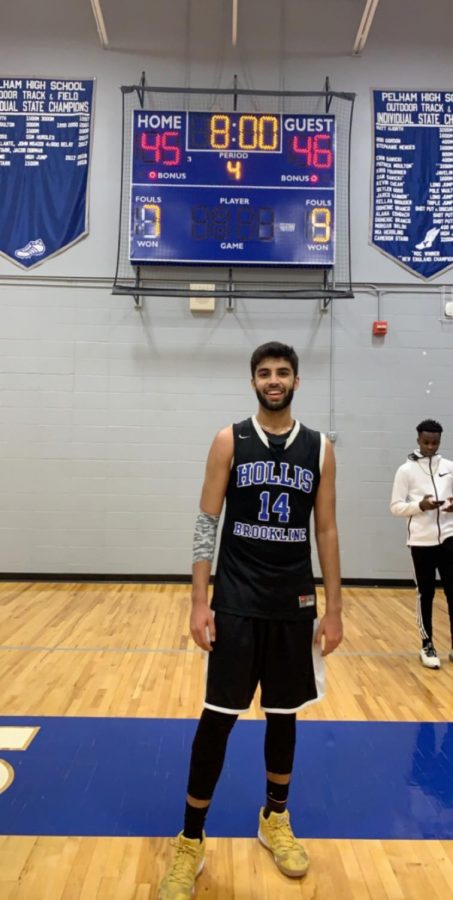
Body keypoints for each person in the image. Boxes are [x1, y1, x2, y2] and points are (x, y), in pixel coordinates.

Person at [159, 341, 343, 900]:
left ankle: (275, 819)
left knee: (284, 716)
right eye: (264, 372)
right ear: (253, 381)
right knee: (217, 719)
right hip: (236, 602)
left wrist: (335, 609)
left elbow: (327, 531)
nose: (273, 380)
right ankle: (191, 840)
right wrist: (198, 601)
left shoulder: (319, 448)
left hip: (293, 605)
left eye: (282, 372)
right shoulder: (228, 440)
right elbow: (205, 524)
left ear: (296, 381)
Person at [390, 419, 453, 668]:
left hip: (449, 538)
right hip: (420, 542)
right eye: (426, 442)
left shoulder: (449, 467)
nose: (430, 446)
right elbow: (395, 507)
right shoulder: (405, 471)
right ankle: (427, 645)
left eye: (435, 442)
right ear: (418, 440)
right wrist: (420, 506)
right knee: (425, 593)